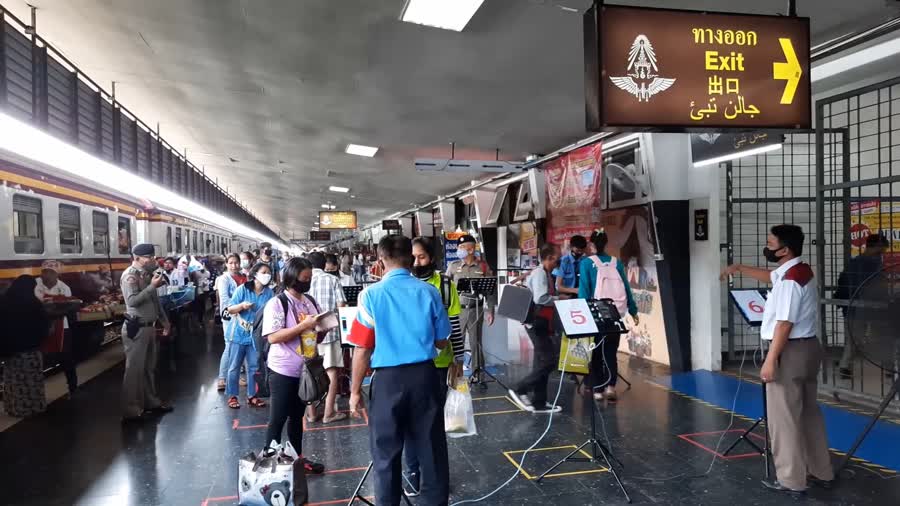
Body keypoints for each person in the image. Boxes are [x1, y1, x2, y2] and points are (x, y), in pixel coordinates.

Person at [721, 224, 834, 495]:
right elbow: (771, 276)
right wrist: (739, 268)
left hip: (790, 351)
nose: (767, 246)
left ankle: (791, 479)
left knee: (783, 418)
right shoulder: (800, 270)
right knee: (808, 413)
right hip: (809, 349)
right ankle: (821, 471)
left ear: (785, 249)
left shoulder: (790, 282)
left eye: (771, 243)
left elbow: (784, 323)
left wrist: (771, 359)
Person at [348, 235, 452, 505]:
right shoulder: (429, 292)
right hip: (425, 377)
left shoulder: (370, 295)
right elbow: (442, 340)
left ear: (380, 260)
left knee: (386, 453)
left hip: (387, 382)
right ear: (410, 259)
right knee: (431, 447)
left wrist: (355, 391)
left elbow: (362, 347)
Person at [402, 236, 465, 496]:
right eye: (413, 258)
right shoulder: (403, 285)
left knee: (433, 425)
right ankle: (412, 472)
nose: (417, 262)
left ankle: (435, 478)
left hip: (438, 365)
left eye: (422, 257)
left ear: (432, 257)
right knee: (409, 424)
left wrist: (459, 360)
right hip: (408, 364)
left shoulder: (445, 285)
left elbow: (455, 325)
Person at [261, 257, 326, 475]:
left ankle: (297, 459)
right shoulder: (278, 303)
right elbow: (273, 337)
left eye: (309, 278)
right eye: (304, 278)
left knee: (297, 418)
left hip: (305, 369)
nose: (307, 282)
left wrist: (322, 328)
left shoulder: (309, 301)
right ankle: (268, 465)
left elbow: (314, 335)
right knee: (278, 418)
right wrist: (303, 325)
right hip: (282, 370)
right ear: (291, 278)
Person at [578, 229, 638, 401]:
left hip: (596, 314)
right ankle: (611, 387)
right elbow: (626, 288)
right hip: (615, 313)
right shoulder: (616, 262)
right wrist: (633, 311)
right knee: (611, 352)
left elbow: (584, 291)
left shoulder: (587, 263)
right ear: (606, 243)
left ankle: (598, 389)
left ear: (591, 244)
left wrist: (583, 315)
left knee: (596, 352)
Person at [120, 244, 173, 424]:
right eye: (148, 257)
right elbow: (132, 301)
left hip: (149, 327)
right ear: (137, 258)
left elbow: (155, 302)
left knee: (148, 368)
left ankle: (151, 402)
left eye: (152, 256)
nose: (152, 260)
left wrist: (164, 320)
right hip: (137, 328)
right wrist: (151, 286)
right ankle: (131, 410)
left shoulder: (147, 275)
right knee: (134, 370)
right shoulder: (130, 276)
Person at [509, 244, 564, 414]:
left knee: (542, 361)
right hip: (537, 322)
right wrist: (559, 298)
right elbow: (541, 298)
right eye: (558, 257)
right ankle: (520, 388)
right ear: (550, 257)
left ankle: (539, 401)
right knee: (549, 361)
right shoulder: (540, 273)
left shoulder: (544, 272)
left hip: (543, 322)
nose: (559, 260)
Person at [833, 233, 890, 378]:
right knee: (883, 337)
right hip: (870, 308)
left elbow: (843, 283)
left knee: (853, 340)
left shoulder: (854, 262)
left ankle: (845, 367)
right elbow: (878, 287)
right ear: (878, 247)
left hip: (854, 307)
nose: (883, 252)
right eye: (883, 249)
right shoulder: (873, 265)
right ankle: (890, 368)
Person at [446, 234, 495, 384]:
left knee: (476, 342)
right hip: (457, 311)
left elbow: (490, 291)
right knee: (456, 343)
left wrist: (490, 310)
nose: (459, 250)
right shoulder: (453, 267)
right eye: (459, 247)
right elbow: (446, 289)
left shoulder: (483, 267)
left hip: (476, 309)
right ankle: (454, 375)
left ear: (471, 249)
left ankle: (477, 374)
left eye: (462, 247)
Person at [306, 251, 348, 424]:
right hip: (330, 332)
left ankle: (312, 412)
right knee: (331, 371)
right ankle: (329, 412)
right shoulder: (332, 280)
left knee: (309, 370)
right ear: (325, 265)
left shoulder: (304, 281)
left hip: (307, 333)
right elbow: (342, 306)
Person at [224, 263, 272, 409]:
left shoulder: (269, 293)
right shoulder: (243, 289)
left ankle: (252, 395)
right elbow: (230, 309)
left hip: (256, 336)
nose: (267, 275)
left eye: (268, 272)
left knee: (254, 366)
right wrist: (242, 306)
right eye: (263, 272)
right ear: (255, 274)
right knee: (234, 366)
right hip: (238, 334)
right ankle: (232, 396)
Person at [1, 275, 50, 417]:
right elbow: (43, 326)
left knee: (13, 381)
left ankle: (14, 408)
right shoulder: (33, 304)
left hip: (11, 352)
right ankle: (33, 408)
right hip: (30, 351)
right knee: (31, 381)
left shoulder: (4, 301)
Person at [34, 266, 78, 396]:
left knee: (66, 359)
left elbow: (68, 308)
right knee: (39, 360)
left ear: (55, 274)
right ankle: (38, 394)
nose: (44, 275)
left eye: (48, 273)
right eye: (43, 272)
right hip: (40, 327)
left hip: (61, 328)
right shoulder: (36, 284)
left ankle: (73, 388)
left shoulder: (64, 288)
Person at [215, 254, 247, 391]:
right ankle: (222, 378)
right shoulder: (224, 279)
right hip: (230, 316)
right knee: (229, 345)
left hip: (243, 316)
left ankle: (235, 376)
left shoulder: (243, 277)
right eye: (231, 263)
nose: (234, 265)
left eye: (236, 263)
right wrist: (238, 308)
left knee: (239, 345)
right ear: (226, 264)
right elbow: (224, 299)